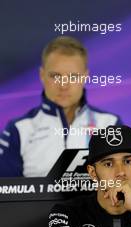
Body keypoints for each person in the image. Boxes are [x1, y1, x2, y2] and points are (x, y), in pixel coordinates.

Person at [0, 36, 122, 177]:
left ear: (85, 76)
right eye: (55, 76)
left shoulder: (110, 125)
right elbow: (5, 195)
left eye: (73, 77)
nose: (63, 85)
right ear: (42, 75)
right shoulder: (18, 130)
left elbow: (125, 187)